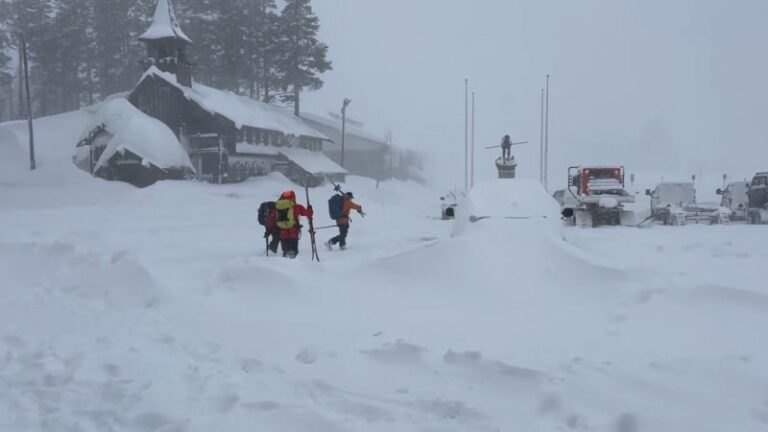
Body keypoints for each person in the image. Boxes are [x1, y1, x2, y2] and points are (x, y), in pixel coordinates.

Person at [274, 190, 313, 258]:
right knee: (293, 251)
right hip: (293, 231)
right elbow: (308, 214)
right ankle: (293, 265)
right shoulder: (296, 207)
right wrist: (310, 209)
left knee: (285, 251)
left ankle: (284, 265)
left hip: (282, 232)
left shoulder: (277, 207)